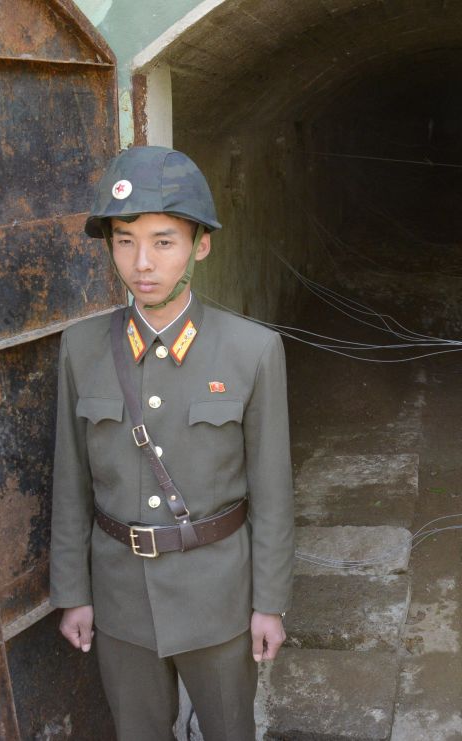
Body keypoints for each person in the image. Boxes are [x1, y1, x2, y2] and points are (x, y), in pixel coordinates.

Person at [49, 145, 294, 740]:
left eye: (164, 240)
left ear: (199, 247)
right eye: (124, 240)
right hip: (120, 597)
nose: (142, 263)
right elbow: (71, 482)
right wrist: (73, 594)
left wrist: (270, 603)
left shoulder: (251, 350)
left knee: (230, 731)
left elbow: (272, 490)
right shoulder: (81, 348)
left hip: (219, 598)